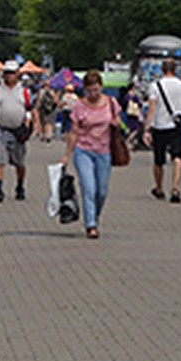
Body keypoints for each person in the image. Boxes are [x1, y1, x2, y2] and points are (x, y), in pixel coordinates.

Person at [66, 70, 120, 238]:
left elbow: (118, 123)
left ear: (101, 87)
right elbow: (73, 132)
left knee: (102, 191)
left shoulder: (111, 103)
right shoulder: (79, 106)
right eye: (90, 91)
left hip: (104, 151)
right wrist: (67, 154)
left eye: (96, 90)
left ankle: (95, 216)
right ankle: (90, 224)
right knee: (89, 187)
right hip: (84, 151)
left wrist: (117, 124)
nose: (93, 94)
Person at [0, 60, 35, 202]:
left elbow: (30, 110)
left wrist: (31, 126)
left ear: (17, 74)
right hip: (1, 129)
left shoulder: (24, 92)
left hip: (18, 131)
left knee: (20, 163)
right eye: (7, 73)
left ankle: (20, 186)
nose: (9, 76)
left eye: (12, 73)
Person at [143, 56, 181, 203]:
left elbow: (152, 107)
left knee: (159, 160)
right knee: (177, 157)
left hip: (160, 126)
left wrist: (147, 128)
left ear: (163, 70)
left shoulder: (155, 86)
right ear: (176, 69)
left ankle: (159, 188)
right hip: (177, 126)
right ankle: (176, 187)